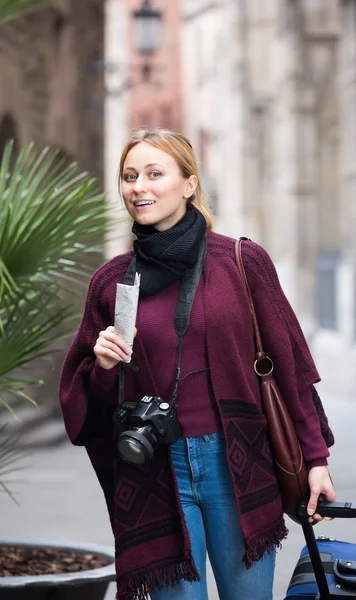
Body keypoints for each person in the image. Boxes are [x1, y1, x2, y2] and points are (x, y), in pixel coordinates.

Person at [59, 127, 336, 600]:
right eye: (129, 176)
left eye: (153, 173)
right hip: (154, 470)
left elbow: (291, 369)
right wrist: (104, 367)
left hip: (239, 462)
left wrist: (315, 459)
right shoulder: (113, 284)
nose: (138, 187)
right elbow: (84, 408)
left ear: (188, 184)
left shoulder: (242, 263)